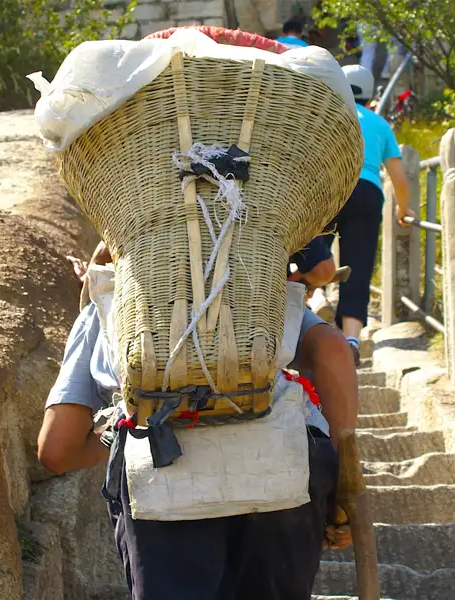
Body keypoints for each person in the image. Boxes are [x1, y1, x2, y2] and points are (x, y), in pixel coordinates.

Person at [38, 243, 359, 600]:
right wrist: (341, 498)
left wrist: (124, 428)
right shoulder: (262, 283)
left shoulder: (110, 300)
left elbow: (57, 449)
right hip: (283, 471)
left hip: (163, 481)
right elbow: (333, 350)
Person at [322, 64, 413, 364]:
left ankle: (315, 306)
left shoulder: (328, 115)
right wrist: (402, 209)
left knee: (313, 254)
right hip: (367, 192)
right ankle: (351, 339)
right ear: (371, 97)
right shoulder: (379, 124)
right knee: (358, 267)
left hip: (332, 188)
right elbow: (399, 179)